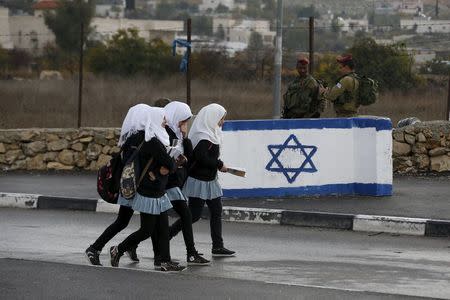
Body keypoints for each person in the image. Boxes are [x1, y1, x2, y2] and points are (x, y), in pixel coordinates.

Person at [110, 107, 185, 272]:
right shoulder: (152, 142)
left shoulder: (158, 139)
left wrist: (166, 167)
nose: (166, 122)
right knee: (146, 230)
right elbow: (170, 163)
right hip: (149, 191)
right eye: (163, 119)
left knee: (163, 228)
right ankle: (118, 249)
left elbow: (168, 164)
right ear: (156, 120)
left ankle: (164, 261)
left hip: (158, 189)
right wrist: (169, 165)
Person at [85, 103, 151, 266]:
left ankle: (103, 248)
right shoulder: (139, 138)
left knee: (124, 222)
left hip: (131, 186)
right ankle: (96, 248)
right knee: (135, 223)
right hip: (132, 187)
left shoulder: (133, 137)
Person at [170, 103, 235, 257]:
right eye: (221, 118)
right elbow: (201, 157)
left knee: (216, 212)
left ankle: (218, 246)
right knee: (193, 215)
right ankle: (167, 234)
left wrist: (217, 165)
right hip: (199, 181)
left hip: (210, 180)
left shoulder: (212, 134)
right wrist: (220, 164)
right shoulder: (204, 137)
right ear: (212, 118)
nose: (222, 122)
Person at [151, 101, 210, 266]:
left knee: (179, 217)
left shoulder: (178, 134)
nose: (184, 125)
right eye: (182, 121)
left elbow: (190, 159)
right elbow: (167, 160)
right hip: (166, 183)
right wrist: (178, 163)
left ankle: (186, 253)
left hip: (174, 182)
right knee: (179, 216)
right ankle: (185, 254)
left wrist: (185, 137)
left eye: (186, 122)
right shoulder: (165, 133)